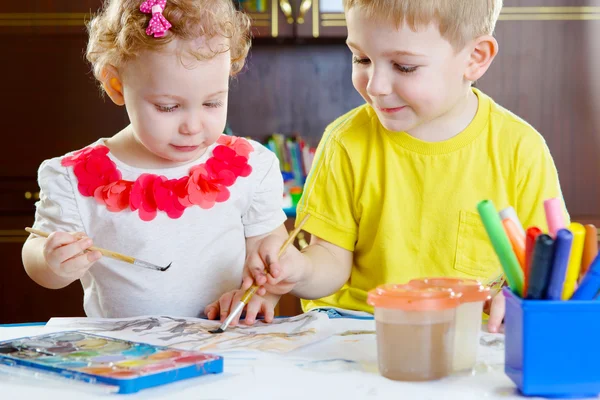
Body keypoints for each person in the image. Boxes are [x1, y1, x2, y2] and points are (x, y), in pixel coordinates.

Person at [218, 0, 568, 332]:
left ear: (475, 58)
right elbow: (330, 260)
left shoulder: (521, 150)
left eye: (404, 66)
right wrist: (300, 268)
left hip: (465, 337)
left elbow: (544, 269)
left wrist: (517, 298)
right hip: (358, 328)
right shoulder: (345, 142)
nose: (376, 86)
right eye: (362, 58)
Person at [22, 0, 287, 322]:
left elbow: (272, 256)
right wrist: (52, 262)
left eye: (212, 102)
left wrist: (260, 295)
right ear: (116, 85)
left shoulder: (250, 167)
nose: (193, 125)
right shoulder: (73, 177)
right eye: (168, 107)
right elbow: (38, 257)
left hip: (227, 345)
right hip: (126, 358)